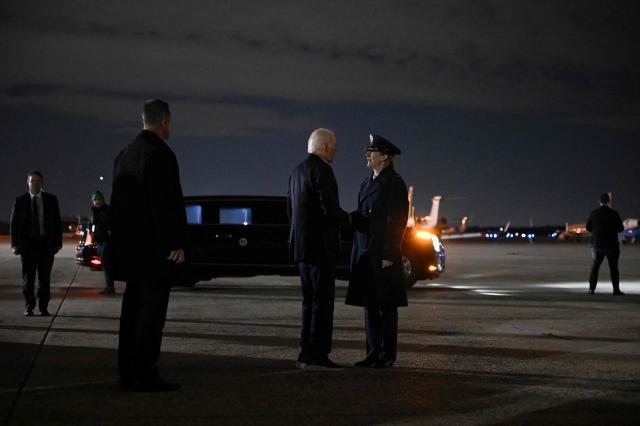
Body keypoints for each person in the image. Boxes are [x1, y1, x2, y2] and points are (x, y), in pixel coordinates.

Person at [111, 99, 187, 391]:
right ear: (165, 121)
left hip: (129, 251)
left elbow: (118, 204)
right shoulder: (161, 154)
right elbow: (164, 204)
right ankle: (145, 373)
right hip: (154, 252)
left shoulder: (124, 155)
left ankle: (128, 372)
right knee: (151, 316)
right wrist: (175, 243)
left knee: (131, 313)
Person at [287, 128, 350, 370]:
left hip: (302, 249)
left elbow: (290, 211)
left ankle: (305, 351)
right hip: (321, 249)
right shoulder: (322, 170)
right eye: (333, 145)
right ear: (324, 146)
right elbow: (330, 210)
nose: (335, 150)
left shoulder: (297, 171)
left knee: (308, 302)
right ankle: (319, 354)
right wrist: (350, 220)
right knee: (323, 303)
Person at [346, 133, 409, 368]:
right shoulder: (367, 181)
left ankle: (386, 355)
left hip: (382, 253)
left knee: (386, 306)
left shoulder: (394, 183)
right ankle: (372, 352)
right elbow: (364, 216)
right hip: (365, 250)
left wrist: (388, 254)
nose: (367, 155)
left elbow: (397, 222)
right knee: (370, 304)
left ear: (384, 157)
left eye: (371, 152)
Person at [10, 171, 62, 316]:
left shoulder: (51, 199)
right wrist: (14, 245)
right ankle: (29, 306)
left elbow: (57, 222)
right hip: (28, 246)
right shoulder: (20, 200)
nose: (35, 183)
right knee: (28, 279)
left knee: (44, 279)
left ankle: (43, 307)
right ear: (27, 182)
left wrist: (58, 244)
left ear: (42, 182)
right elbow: (14, 224)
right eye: (32, 181)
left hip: (46, 245)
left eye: (38, 181)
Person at [586, 193, 624, 295]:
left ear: (599, 202)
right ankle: (616, 290)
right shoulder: (614, 213)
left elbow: (588, 228)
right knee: (613, 268)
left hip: (597, 244)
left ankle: (591, 289)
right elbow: (621, 228)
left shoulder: (593, 213)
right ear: (609, 202)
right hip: (612, 244)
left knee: (595, 267)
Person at [89, 191, 115, 295]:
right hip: (98, 241)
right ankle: (109, 286)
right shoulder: (93, 211)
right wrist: (91, 232)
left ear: (102, 200)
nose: (97, 202)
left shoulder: (108, 209)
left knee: (106, 261)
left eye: (98, 199)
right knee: (105, 263)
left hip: (107, 241)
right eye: (95, 200)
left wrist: (110, 232)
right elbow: (90, 224)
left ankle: (110, 286)